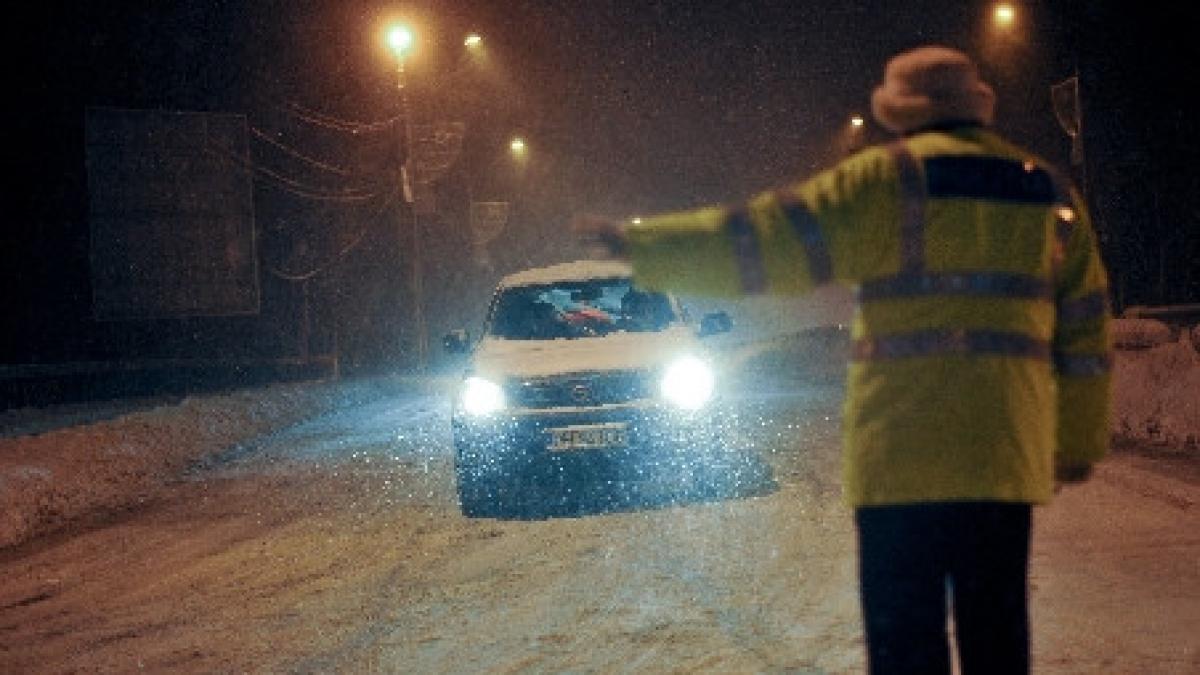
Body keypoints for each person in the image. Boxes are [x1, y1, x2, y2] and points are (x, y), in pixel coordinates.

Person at [574, 45, 1112, 675]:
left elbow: (761, 240)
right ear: (977, 108)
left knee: (906, 650)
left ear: (901, 114)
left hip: (898, 465)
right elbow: (1087, 331)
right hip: (1001, 462)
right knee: (997, 641)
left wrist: (644, 249)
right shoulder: (1048, 193)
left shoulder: (885, 183)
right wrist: (1074, 443)